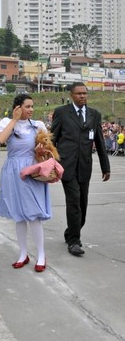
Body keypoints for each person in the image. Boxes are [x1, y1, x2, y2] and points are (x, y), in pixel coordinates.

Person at [51, 82, 110, 256]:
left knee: (83, 204)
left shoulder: (94, 115)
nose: (83, 96)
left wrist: (105, 167)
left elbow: (99, 142)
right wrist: (49, 162)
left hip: (85, 166)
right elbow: (52, 138)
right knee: (74, 200)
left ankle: (71, 231)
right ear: (71, 95)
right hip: (66, 166)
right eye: (79, 94)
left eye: (85, 93)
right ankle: (74, 241)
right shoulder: (62, 113)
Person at [0, 94, 51, 272]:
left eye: (32, 106)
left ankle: (41, 254)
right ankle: (23, 253)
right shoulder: (6, 123)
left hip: (32, 171)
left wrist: (42, 150)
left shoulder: (38, 126)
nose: (31, 110)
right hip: (12, 171)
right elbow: (1, 140)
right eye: (27, 106)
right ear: (18, 108)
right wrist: (14, 119)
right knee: (19, 216)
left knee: (34, 214)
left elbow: (48, 149)